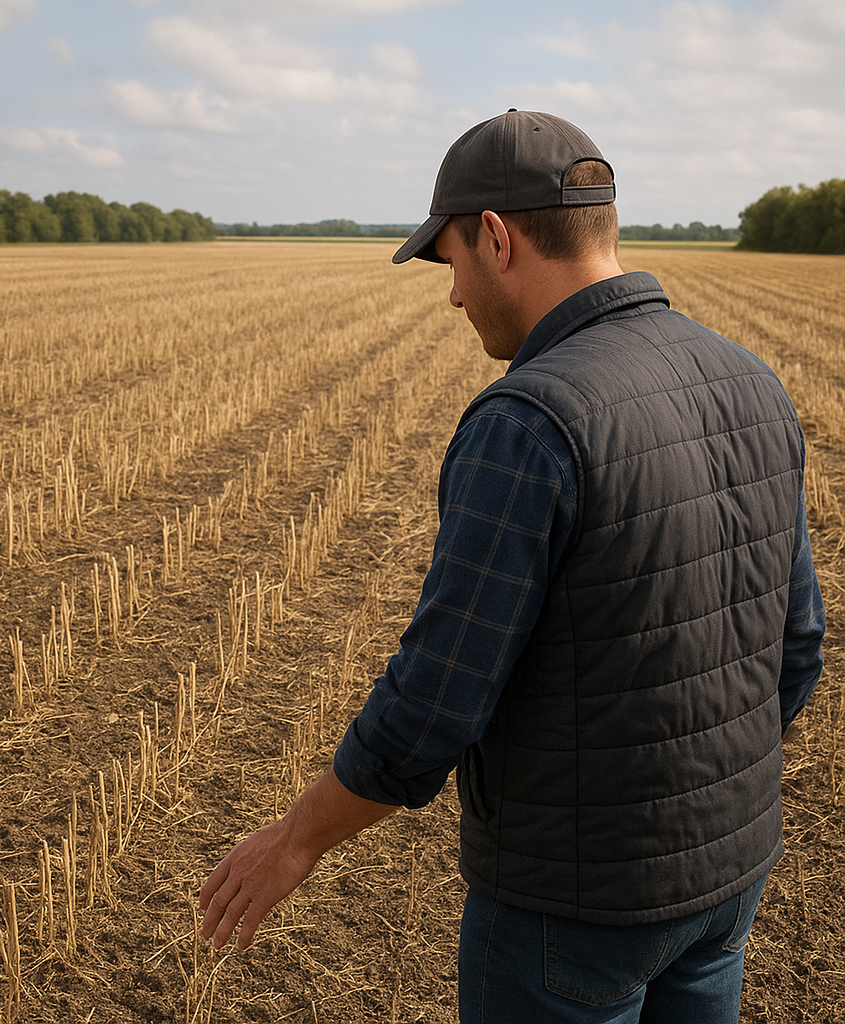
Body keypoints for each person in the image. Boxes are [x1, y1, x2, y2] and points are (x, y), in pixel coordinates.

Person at [198, 109, 825, 1023]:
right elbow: (798, 644)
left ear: (495, 239)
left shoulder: (528, 422)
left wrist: (294, 842)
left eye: (449, 262)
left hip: (569, 911)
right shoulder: (751, 381)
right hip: (728, 882)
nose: (453, 296)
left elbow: (434, 703)